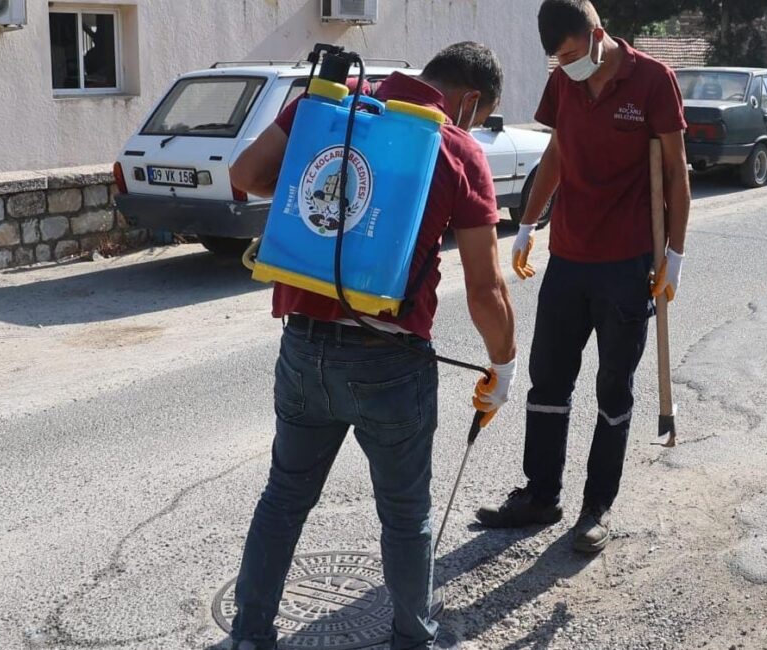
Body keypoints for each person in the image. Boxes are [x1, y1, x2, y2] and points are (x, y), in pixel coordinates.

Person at [216, 42, 517, 650]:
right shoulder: (454, 149)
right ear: (470, 101)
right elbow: (485, 288)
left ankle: (249, 636)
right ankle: (413, 639)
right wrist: (503, 365)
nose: (473, 128)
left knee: (283, 498)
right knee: (406, 516)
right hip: (390, 361)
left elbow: (244, 177)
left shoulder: (327, 110)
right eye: (479, 120)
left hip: (302, 348)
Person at [476, 0, 691, 554]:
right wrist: (528, 222)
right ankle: (541, 494)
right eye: (557, 59)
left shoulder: (652, 81)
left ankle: (597, 506)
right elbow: (557, 155)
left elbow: (675, 171)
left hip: (626, 263)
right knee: (548, 380)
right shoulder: (566, 84)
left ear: (597, 36)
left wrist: (675, 254)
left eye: (572, 54)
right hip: (569, 259)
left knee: (612, 387)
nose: (565, 66)